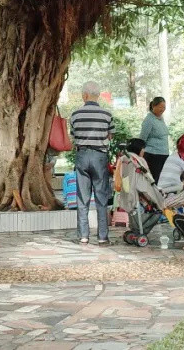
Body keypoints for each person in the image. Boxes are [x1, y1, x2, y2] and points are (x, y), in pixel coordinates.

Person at [69, 81, 114, 245]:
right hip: (99, 156)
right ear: (98, 95)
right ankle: (102, 236)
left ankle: (83, 235)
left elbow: (73, 136)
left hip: (82, 156)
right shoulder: (107, 115)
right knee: (101, 197)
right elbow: (110, 136)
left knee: (82, 197)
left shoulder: (75, 115)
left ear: (85, 95)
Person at [138, 97, 170, 183]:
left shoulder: (161, 119)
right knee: (154, 180)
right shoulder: (149, 120)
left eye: (164, 107)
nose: (162, 109)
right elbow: (142, 138)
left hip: (163, 154)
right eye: (160, 107)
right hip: (153, 155)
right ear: (153, 106)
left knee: (161, 180)